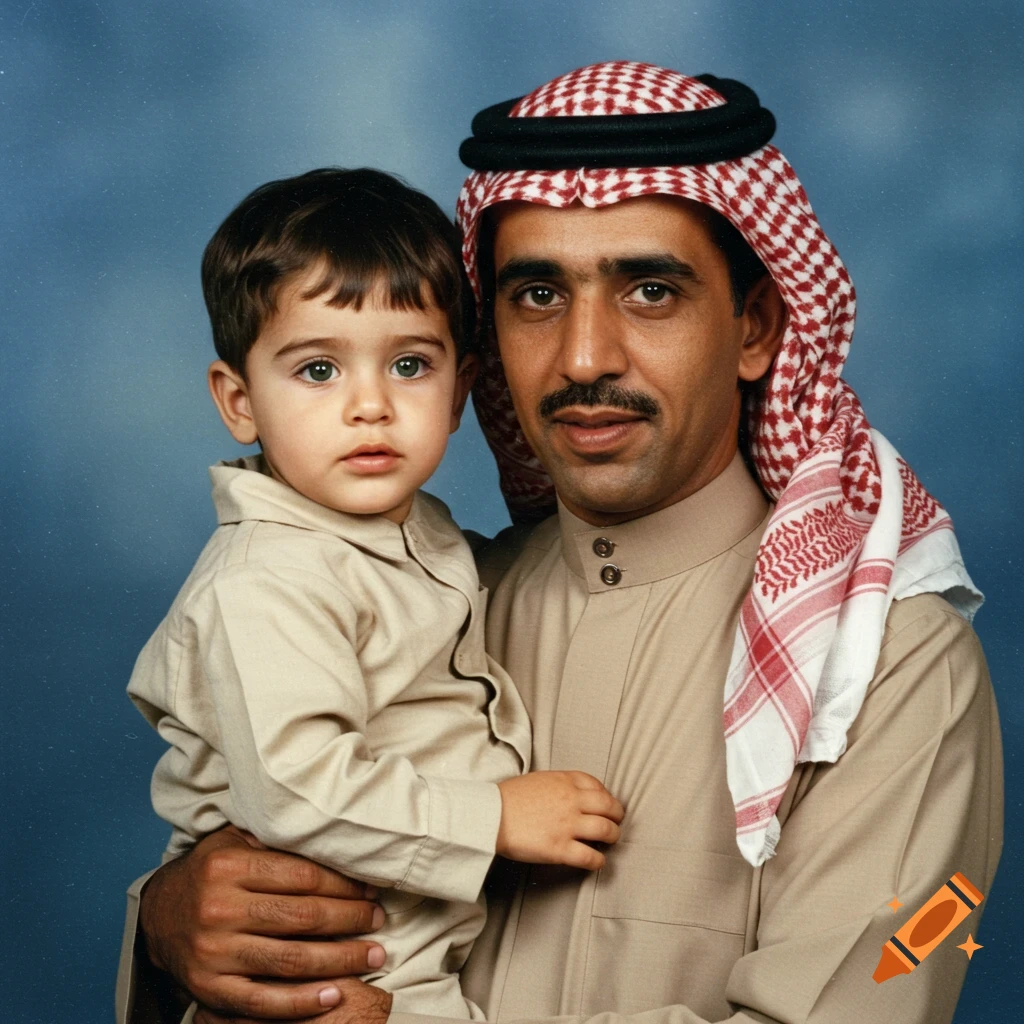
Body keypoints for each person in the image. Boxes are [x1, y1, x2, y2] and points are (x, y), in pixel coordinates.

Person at [117, 64, 1003, 1024]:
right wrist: (163, 933)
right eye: (537, 294)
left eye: (651, 291)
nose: (584, 357)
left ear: (755, 329)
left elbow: (887, 981)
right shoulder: (434, 605)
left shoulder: (890, 668)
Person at [122, 167, 625, 1022]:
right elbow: (298, 793)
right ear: (239, 401)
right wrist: (492, 819)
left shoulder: (415, 536)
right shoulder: (269, 579)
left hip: (411, 932)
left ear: (462, 390)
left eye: (408, 365)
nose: (370, 407)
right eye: (318, 369)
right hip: (332, 955)